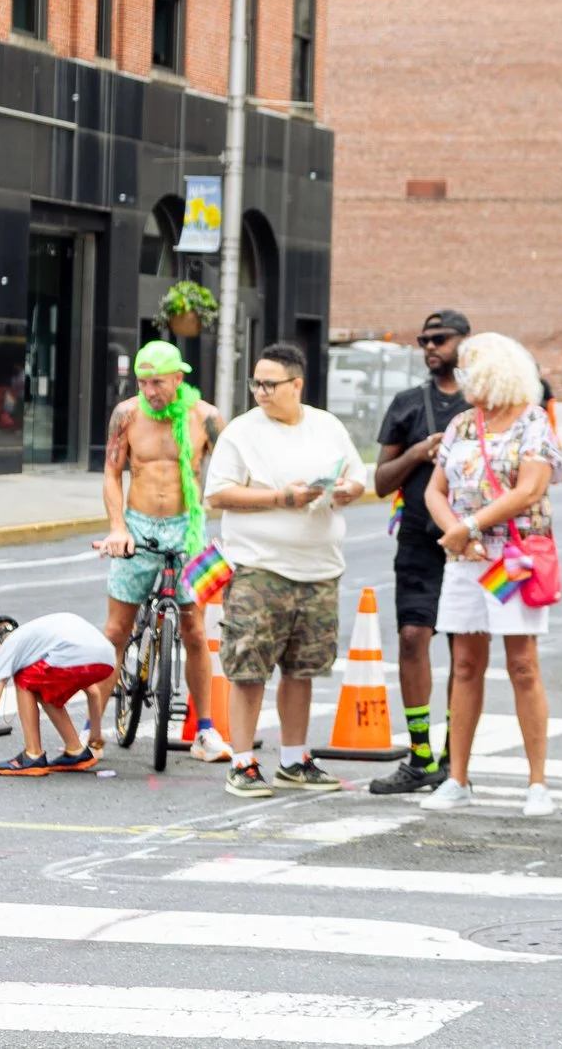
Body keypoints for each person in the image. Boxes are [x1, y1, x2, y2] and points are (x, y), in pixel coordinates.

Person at [207, 341, 367, 797]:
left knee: (303, 669)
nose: (260, 391)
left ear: (296, 385)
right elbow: (218, 494)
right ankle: (242, 762)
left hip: (319, 570)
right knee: (249, 668)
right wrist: (282, 498)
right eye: (256, 383)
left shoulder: (327, 426)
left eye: (270, 384)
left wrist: (346, 488)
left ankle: (295, 759)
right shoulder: (242, 432)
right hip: (259, 568)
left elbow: (358, 476)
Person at [420, 332, 562, 817]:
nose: (461, 380)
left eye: (468, 370)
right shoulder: (463, 424)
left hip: (512, 559)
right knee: (464, 663)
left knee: (522, 663)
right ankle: (456, 776)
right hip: (465, 559)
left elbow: (529, 490)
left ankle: (537, 783)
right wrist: (456, 533)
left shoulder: (532, 421)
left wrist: (469, 526)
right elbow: (434, 491)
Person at [98, 339, 228, 762]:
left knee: (194, 632)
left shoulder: (206, 419)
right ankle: (91, 728)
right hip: (137, 528)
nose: (150, 391)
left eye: (157, 382)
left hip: (188, 529)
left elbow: (230, 476)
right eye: (142, 382)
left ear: (178, 378)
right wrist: (118, 527)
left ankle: (205, 730)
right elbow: (112, 473)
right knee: (116, 631)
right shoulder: (127, 415)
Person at [368, 308, 472, 795]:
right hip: (417, 539)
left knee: (465, 651)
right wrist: (416, 452)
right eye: (424, 340)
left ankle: (456, 758)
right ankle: (419, 755)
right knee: (412, 637)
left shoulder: (483, 404)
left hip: (472, 545)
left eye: (440, 339)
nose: (430, 347)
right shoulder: (408, 404)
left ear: (464, 344)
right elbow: (380, 481)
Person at [0, 613, 118, 775]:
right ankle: (76, 750)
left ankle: (33, 754)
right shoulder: (35, 641)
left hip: (76, 654)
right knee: (42, 684)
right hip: (108, 657)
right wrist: (95, 734)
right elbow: (93, 692)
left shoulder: (7, 647)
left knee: (25, 677)